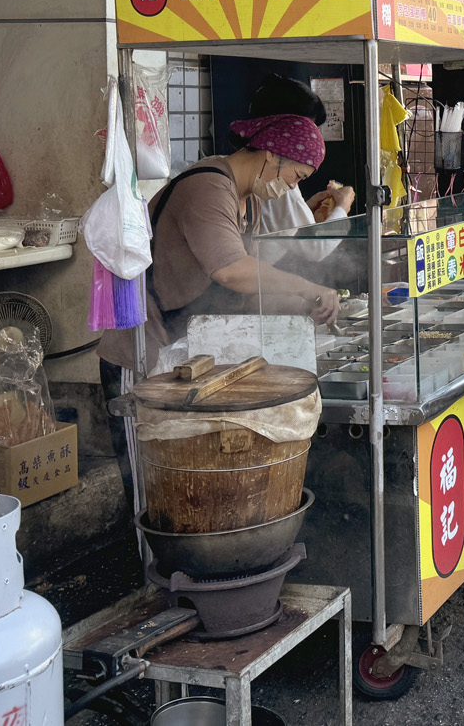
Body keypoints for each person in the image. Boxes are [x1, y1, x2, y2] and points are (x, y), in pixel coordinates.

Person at [97, 113, 341, 505]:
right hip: (141, 350)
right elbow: (232, 272)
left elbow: (249, 291)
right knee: (150, 481)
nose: (291, 187)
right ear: (270, 156)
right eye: (295, 176)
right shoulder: (208, 188)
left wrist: (299, 306)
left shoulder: (248, 201)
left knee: (188, 483)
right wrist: (310, 287)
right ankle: (146, 563)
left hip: (186, 352)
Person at [248, 75, 355, 264]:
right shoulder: (278, 179)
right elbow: (316, 249)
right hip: (247, 281)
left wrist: (304, 207)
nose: (311, 137)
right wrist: (342, 208)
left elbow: (277, 224)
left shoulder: (258, 165)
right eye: (306, 129)